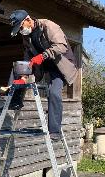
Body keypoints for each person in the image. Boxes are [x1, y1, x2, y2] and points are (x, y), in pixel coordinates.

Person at [9, 10, 79, 139]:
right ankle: (15, 101)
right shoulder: (27, 36)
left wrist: (43, 55)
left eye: (21, 27)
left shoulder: (48, 26)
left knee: (53, 92)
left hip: (60, 66)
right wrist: (23, 75)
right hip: (44, 65)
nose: (20, 31)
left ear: (28, 20)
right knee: (17, 69)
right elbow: (27, 55)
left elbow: (61, 46)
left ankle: (55, 131)